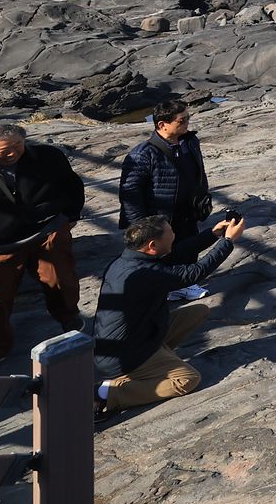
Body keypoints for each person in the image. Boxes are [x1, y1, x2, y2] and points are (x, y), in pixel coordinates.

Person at [89, 211, 246, 414]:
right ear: (152, 245)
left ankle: (156, 363)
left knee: (199, 311)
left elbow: (177, 253)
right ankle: (107, 393)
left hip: (136, 337)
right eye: (170, 232)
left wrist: (213, 234)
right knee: (188, 379)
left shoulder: (130, 259)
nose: (174, 234)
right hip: (124, 357)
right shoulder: (143, 273)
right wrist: (228, 241)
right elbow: (194, 273)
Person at [0, 124, 84, 375]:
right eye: (5, 150)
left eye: (18, 145)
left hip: (49, 229)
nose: (13, 153)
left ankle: (69, 316)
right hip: (2, 243)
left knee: (60, 277)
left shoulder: (48, 156)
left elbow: (72, 184)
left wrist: (71, 214)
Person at [119, 101, 213, 293]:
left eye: (188, 118)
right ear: (162, 124)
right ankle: (170, 288)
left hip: (189, 211)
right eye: (181, 120)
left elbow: (199, 173)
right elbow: (130, 193)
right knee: (165, 253)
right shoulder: (143, 154)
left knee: (189, 248)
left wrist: (203, 198)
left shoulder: (190, 142)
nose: (187, 122)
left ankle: (184, 284)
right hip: (161, 216)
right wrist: (140, 225)